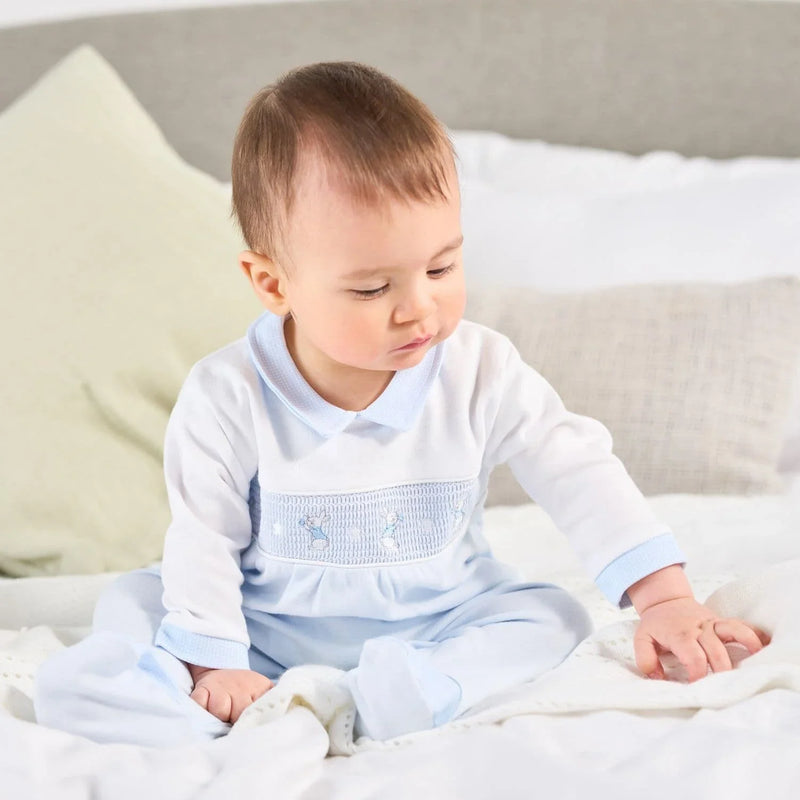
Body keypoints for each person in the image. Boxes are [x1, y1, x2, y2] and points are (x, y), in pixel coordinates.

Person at [34, 61, 768, 747]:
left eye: (442, 265)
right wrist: (215, 658)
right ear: (272, 283)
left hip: (436, 621)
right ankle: (166, 692)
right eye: (371, 288)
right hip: (260, 629)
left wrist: (665, 598)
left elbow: (576, 468)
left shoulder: (481, 369)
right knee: (139, 597)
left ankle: (391, 696)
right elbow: (204, 540)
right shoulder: (226, 395)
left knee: (552, 616)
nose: (419, 309)